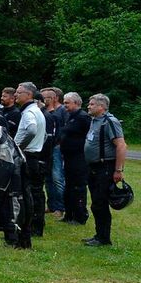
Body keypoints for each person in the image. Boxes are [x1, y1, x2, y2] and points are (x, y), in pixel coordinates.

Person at [83, 93, 127, 247]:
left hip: (105, 167)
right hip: (93, 167)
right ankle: (99, 235)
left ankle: (103, 239)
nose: (88, 106)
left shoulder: (109, 122)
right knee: (96, 202)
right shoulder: (95, 120)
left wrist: (118, 170)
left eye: (92, 104)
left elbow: (121, 145)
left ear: (102, 107)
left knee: (100, 203)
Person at [14, 82, 46, 244]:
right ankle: (36, 226)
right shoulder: (37, 111)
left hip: (28, 155)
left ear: (29, 95)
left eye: (19, 92)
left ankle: (29, 228)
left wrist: (19, 147)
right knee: (36, 193)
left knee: (26, 194)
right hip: (35, 155)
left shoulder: (29, 113)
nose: (16, 95)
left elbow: (32, 130)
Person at [60, 92, 90, 225]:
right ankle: (69, 214)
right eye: (64, 102)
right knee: (69, 186)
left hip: (79, 158)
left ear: (77, 103)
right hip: (68, 157)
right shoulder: (69, 116)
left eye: (67, 102)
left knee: (78, 187)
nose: (64, 105)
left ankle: (80, 216)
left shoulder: (84, 118)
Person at [41, 87, 66, 217]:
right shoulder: (48, 112)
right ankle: (52, 205)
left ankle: (61, 207)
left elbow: (63, 130)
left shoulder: (61, 111)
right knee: (48, 178)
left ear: (53, 98)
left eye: (44, 97)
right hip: (48, 148)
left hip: (56, 148)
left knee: (57, 177)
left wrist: (60, 145)